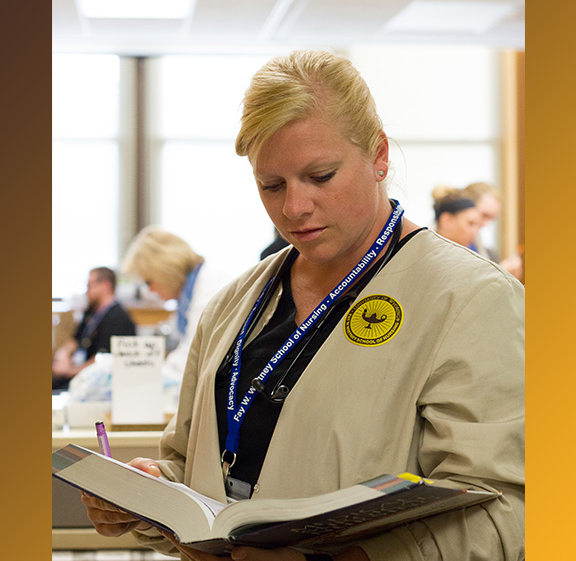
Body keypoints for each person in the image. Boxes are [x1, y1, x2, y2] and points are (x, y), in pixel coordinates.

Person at [82, 50, 524, 561]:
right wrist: (151, 496)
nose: (293, 208)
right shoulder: (232, 305)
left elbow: (507, 511)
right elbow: (194, 464)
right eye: (271, 185)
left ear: (379, 155)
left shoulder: (471, 299)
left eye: (320, 176)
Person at [121, 226, 230, 382]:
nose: (150, 290)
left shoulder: (210, 292)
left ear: (163, 270)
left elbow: (190, 359)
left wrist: (147, 379)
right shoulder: (190, 293)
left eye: (148, 281)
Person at [52, 267, 136, 391]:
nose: (87, 291)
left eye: (90, 285)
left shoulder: (117, 318)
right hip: (81, 372)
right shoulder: (92, 311)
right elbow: (76, 339)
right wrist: (63, 354)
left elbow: (103, 362)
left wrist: (69, 372)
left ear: (105, 285)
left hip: (98, 382)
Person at [464, 182, 524, 280]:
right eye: (484, 215)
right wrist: (499, 273)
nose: (485, 224)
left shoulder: (478, 243)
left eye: (490, 218)